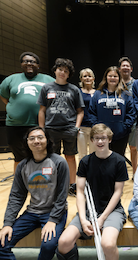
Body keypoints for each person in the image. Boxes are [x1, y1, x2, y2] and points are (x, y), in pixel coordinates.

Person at [0, 127, 70, 260]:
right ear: (27, 142)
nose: (36, 141)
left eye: (40, 137)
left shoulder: (59, 162)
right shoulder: (23, 166)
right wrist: (7, 224)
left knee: (49, 245)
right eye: (32, 138)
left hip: (54, 212)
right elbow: (16, 196)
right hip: (32, 212)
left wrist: (52, 220)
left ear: (47, 140)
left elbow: (62, 196)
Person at [55, 124, 128, 260]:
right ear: (92, 141)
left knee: (107, 244)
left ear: (109, 140)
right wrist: (83, 219)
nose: (100, 141)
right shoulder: (85, 161)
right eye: (96, 138)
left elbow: (118, 192)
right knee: (64, 242)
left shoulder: (119, 161)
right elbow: (80, 192)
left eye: (103, 138)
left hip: (112, 211)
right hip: (89, 210)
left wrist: (101, 219)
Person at [0, 52, 56, 171]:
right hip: (15, 125)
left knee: (42, 156)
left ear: (38, 65)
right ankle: (20, 186)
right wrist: (16, 107)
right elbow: (4, 97)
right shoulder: (11, 79)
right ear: (21, 64)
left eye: (33, 62)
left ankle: (41, 183)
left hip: (39, 125)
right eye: (26, 61)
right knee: (19, 157)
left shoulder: (49, 79)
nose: (29, 63)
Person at [38, 58, 86, 186]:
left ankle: (71, 184)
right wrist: (41, 130)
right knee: (52, 158)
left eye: (66, 71)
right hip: (50, 129)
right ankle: (54, 184)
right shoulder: (46, 88)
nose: (62, 73)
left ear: (69, 74)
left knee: (70, 157)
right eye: (60, 69)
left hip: (69, 129)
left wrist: (76, 128)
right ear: (55, 70)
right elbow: (42, 110)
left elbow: (80, 111)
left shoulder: (74, 89)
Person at [87, 66, 138, 156]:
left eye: (115, 76)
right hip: (101, 136)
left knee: (118, 159)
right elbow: (92, 112)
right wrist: (96, 128)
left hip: (120, 135)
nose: (112, 78)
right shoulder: (97, 94)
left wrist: (124, 128)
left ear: (119, 78)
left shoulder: (126, 94)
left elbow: (131, 113)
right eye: (110, 76)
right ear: (106, 77)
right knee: (102, 159)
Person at [77, 68, 98, 156]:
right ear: (81, 79)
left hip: (94, 127)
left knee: (94, 153)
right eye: (85, 76)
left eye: (89, 76)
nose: (87, 78)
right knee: (82, 154)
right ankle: (83, 170)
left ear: (93, 78)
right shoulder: (78, 92)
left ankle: (92, 170)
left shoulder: (98, 93)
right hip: (81, 127)